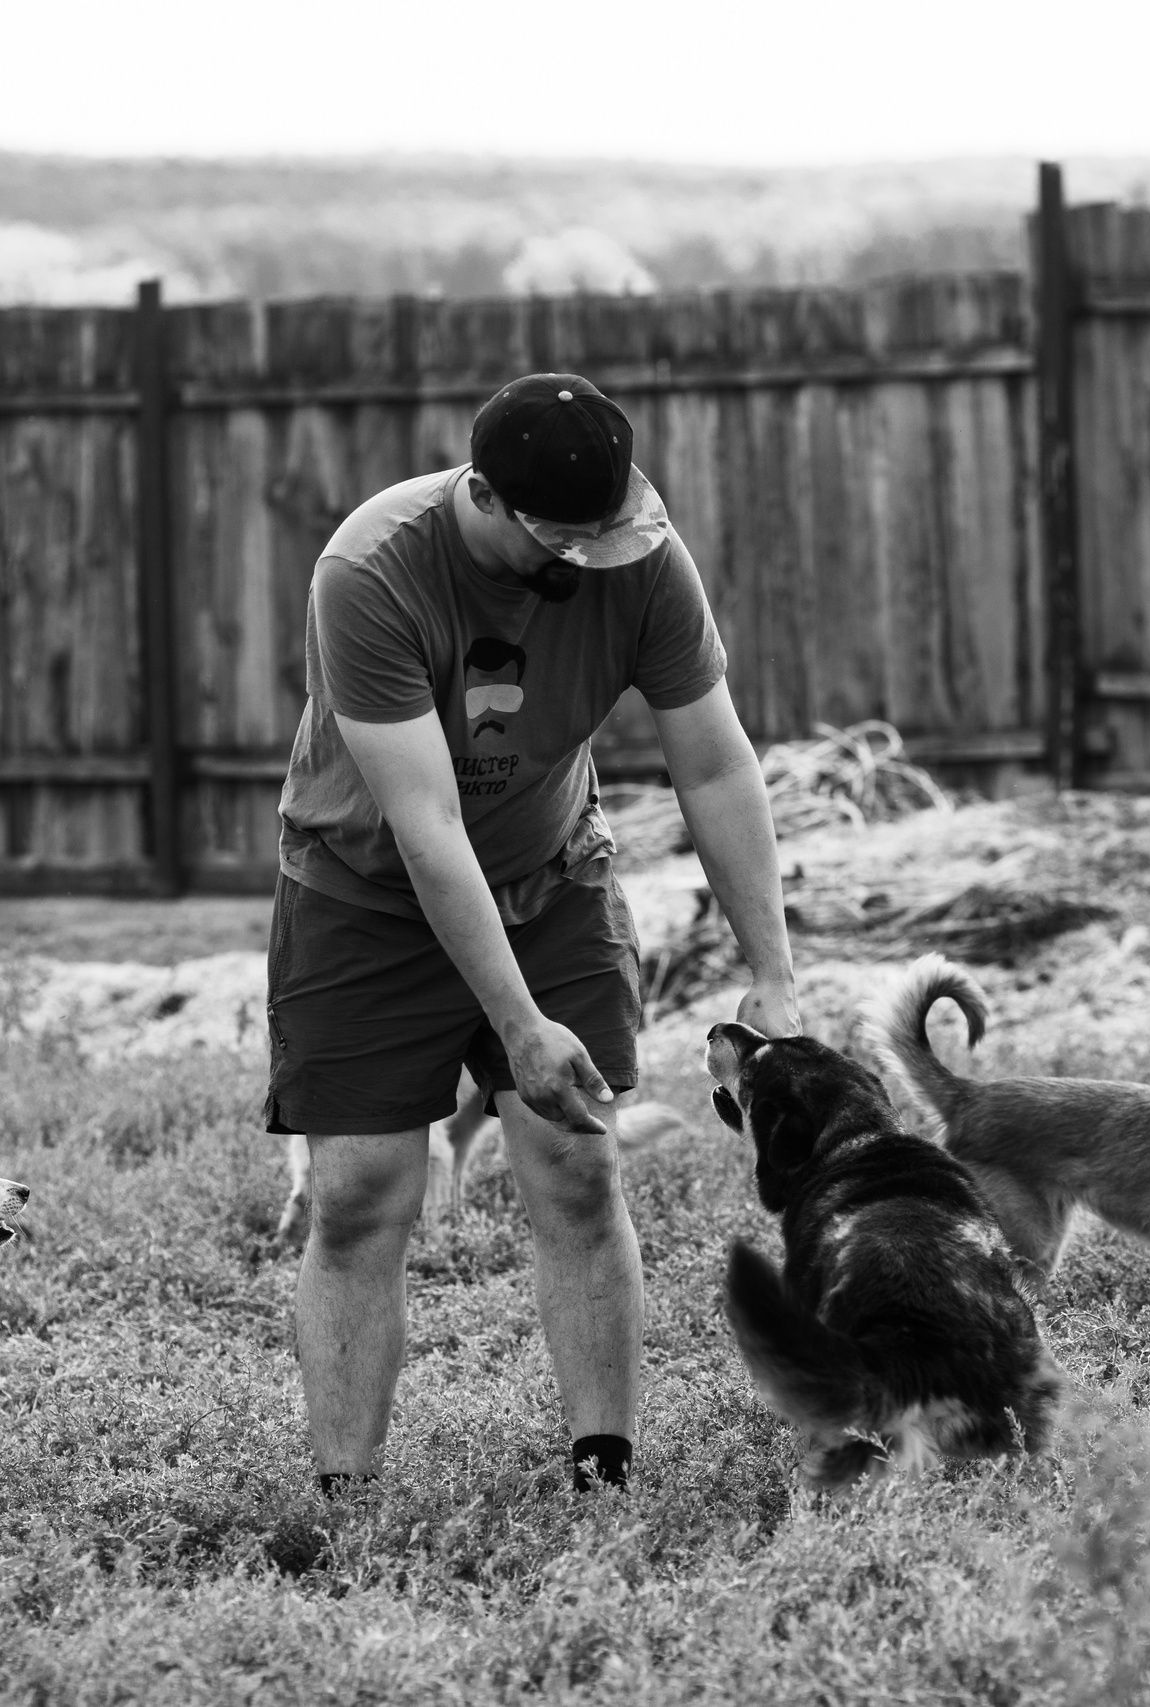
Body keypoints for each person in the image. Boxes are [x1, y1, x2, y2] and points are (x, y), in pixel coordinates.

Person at [268, 371, 801, 1497]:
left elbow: (712, 762)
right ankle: (346, 1498)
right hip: (367, 896)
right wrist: (517, 1025)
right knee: (362, 1190)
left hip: (553, 876)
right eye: (561, 539)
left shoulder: (640, 555)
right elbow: (427, 826)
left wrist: (773, 972)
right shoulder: (371, 571)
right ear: (484, 496)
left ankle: (602, 1471)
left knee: (571, 1164)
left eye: (602, 536)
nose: (586, 562)